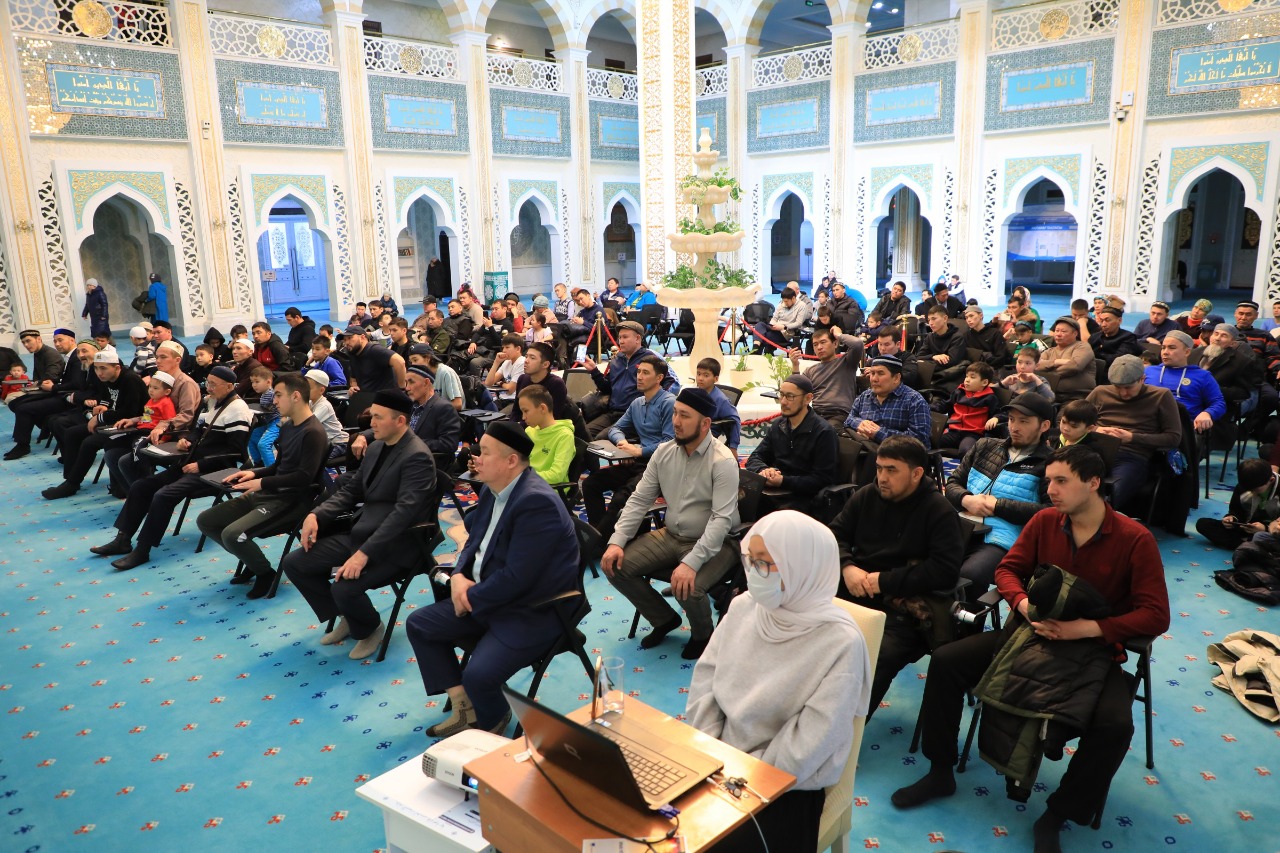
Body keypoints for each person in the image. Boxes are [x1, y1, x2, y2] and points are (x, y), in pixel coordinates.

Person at [893, 445, 1170, 853]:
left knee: (1115, 726)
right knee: (947, 661)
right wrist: (1022, 604)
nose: (1051, 490)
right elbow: (1008, 569)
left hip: (1090, 649)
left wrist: (1086, 629)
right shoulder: (1044, 521)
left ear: (1093, 483)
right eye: (1048, 481)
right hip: (1029, 635)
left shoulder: (1134, 539)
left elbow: (1155, 615)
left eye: (1062, 481)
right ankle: (940, 770)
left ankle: (1058, 813)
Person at [686, 511, 872, 853]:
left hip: (783, 785)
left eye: (765, 563)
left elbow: (810, 742)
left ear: (802, 567)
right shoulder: (744, 607)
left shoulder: (839, 642)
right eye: (750, 560)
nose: (754, 573)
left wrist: (740, 779)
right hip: (717, 758)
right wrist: (710, 751)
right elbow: (705, 682)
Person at [407, 420, 579, 736]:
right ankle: (465, 707)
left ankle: (493, 718)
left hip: (531, 609)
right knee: (420, 625)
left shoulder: (536, 502)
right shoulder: (492, 488)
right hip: (487, 594)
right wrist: (459, 577)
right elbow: (472, 542)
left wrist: (467, 595)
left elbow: (518, 578)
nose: (475, 458)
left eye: (485, 452)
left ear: (511, 460)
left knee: (478, 677)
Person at [283, 390, 436, 660]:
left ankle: (370, 628)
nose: (371, 422)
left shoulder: (417, 456)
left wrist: (363, 554)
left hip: (397, 546)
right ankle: (349, 617)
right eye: (371, 415)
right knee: (296, 563)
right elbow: (351, 491)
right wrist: (316, 515)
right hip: (362, 533)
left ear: (400, 421)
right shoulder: (376, 447)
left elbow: (404, 514)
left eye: (378, 417)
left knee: (343, 587)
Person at [829, 436, 964, 716]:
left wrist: (884, 581)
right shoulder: (866, 495)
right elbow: (833, 535)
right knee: (810, 633)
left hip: (904, 608)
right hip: (856, 589)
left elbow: (945, 572)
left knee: (875, 658)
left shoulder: (938, 510)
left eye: (891, 470)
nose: (882, 477)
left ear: (916, 473)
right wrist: (846, 566)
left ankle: (845, 731)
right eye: (879, 468)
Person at [602, 388, 740, 660]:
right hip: (672, 534)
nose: (676, 421)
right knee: (615, 565)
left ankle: (703, 636)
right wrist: (617, 541)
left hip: (719, 541)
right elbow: (639, 499)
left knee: (688, 586)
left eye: (685, 416)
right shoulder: (664, 452)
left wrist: (691, 563)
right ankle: (664, 619)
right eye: (675, 413)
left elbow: (721, 520)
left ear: (705, 424)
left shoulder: (723, 461)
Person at [91, 365, 253, 570]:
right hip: (190, 463)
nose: (209, 387)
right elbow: (198, 429)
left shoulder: (238, 409)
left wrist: (201, 464)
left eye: (214, 384)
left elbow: (236, 452)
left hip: (216, 470)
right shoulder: (213, 402)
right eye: (208, 382)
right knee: (141, 486)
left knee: (163, 495)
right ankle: (122, 540)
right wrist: (187, 440)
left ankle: (142, 550)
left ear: (229, 386)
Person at [196, 374, 330, 599]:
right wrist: (254, 473)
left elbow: (304, 478)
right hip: (270, 493)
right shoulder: (288, 426)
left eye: (278, 395)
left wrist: (261, 482)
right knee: (206, 521)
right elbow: (279, 467)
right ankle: (252, 560)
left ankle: (265, 573)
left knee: (232, 534)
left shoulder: (313, 432)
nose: (273, 401)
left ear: (296, 396)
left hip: (291, 501)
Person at [945, 392, 1053, 588]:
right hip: (960, 524)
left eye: (1023, 421)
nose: (1014, 427)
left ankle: (966, 609)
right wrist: (966, 499)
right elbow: (952, 483)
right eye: (1011, 419)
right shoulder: (985, 445)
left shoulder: (1050, 463)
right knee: (920, 556)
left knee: (969, 577)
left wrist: (998, 506)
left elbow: (1051, 513)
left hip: (1002, 538)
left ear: (1044, 426)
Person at [581, 356, 675, 538]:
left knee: (621, 498)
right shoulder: (638, 403)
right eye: (638, 371)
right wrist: (622, 442)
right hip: (638, 461)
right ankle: (599, 536)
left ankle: (597, 543)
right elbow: (615, 429)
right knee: (591, 484)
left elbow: (670, 442)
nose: (639, 376)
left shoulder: (668, 402)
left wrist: (640, 450)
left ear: (659, 378)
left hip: (660, 466)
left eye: (645, 373)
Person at [41, 350, 148, 500]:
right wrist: (103, 406)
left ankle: (72, 483)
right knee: (72, 433)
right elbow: (106, 396)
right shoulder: (107, 377)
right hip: (115, 421)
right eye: (96, 368)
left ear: (117, 368)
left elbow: (130, 412)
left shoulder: (130, 380)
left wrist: (100, 418)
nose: (99, 373)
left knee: (89, 443)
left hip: (134, 425)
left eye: (103, 368)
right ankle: (70, 480)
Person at [1086, 355, 1183, 513]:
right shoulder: (1100, 392)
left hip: (1131, 455)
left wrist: (1132, 437)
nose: (1123, 393)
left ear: (1142, 379)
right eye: (1117, 387)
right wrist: (1095, 429)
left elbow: (1173, 438)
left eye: (1128, 387)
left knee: (1109, 495)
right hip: (1093, 450)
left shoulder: (1160, 396)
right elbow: (1074, 420)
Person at [745, 374, 837, 514]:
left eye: (790, 396)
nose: (783, 401)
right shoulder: (779, 425)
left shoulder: (824, 432)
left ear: (808, 398)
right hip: (776, 491)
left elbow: (823, 479)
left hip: (803, 498)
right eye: (781, 395)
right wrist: (764, 470)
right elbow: (755, 457)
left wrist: (783, 481)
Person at [580, 320, 668, 437]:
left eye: (625, 337)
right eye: (620, 337)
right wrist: (593, 370)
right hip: (612, 412)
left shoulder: (650, 360)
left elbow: (669, 383)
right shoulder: (617, 360)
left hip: (635, 415)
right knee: (582, 434)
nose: (620, 341)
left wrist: (653, 409)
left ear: (637, 338)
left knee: (601, 438)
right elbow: (607, 389)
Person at [844, 353, 933, 458]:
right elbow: (849, 419)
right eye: (872, 373)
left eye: (880, 373)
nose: (874, 379)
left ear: (896, 378)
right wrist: (860, 424)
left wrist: (877, 433)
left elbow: (919, 440)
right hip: (868, 452)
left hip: (902, 457)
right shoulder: (865, 396)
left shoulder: (914, 401)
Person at [1143, 330, 1225, 435]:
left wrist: (1207, 413)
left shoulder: (1202, 376)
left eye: (1172, 348)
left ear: (1187, 352)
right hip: (1148, 423)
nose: (1165, 352)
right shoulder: (1148, 371)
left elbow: (1218, 403)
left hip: (1183, 428)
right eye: (1163, 347)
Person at [1195, 458, 1280, 550]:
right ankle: (1249, 546)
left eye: (1255, 490)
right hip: (1247, 528)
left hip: (1271, 533)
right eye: (1248, 489)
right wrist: (1231, 518)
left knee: (1263, 538)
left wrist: (1265, 528)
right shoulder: (1244, 485)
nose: (1252, 493)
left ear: (1271, 480)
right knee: (1203, 524)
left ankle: (1248, 546)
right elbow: (1236, 509)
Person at [789, 327, 865, 429]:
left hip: (840, 414)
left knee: (822, 431)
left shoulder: (846, 362)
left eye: (823, 342)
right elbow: (796, 390)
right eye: (815, 344)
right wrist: (795, 365)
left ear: (835, 344)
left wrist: (838, 335)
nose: (819, 347)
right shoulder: (810, 371)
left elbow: (857, 344)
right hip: (816, 414)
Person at [519, 384, 576, 483]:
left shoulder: (564, 436)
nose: (523, 417)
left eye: (526, 411)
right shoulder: (529, 430)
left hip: (547, 488)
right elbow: (521, 462)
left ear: (542, 408)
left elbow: (556, 475)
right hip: (527, 483)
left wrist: (523, 478)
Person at [1200, 323, 1263, 411]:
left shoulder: (1242, 361)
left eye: (1224, 336)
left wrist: (1213, 390)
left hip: (1219, 404)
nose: (1217, 338)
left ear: (1232, 343)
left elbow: (1243, 392)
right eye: (1216, 334)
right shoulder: (1194, 353)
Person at [939, 363, 1000, 454]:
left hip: (972, 435)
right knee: (929, 441)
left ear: (984, 382)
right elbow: (944, 405)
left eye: (972, 377)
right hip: (954, 432)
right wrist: (928, 407)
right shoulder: (958, 393)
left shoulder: (989, 398)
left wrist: (996, 418)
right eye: (966, 376)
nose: (967, 380)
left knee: (966, 450)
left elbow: (1000, 412)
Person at [1037, 315, 1097, 403]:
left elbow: (1074, 366)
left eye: (1063, 331)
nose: (1058, 334)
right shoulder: (1049, 351)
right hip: (1050, 395)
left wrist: (1047, 372)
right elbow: (1036, 366)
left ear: (1075, 334)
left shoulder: (1082, 347)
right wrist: (1056, 362)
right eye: (1057, 330)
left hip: (1077, 396)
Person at [693, 357, 741, 452]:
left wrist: (733, 447)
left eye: (706, 375)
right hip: (692, 430)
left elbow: (735, 420)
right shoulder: (694, 393)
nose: (700, 378)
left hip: (707, 436)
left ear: (716, 378)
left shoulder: (720, 399)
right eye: (698, 374)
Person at [916, 305, 969, 389]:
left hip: (949, 377)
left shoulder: (957, 337)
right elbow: (919, 356)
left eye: (934, 319)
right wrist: (933, 356)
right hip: (932, 372)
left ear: (945, 318)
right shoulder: (930, 337)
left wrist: (927, 362)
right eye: (929, 320)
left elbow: (951, 361)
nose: (930, 323)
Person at [344, 326, 406, 394]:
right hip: (364, 397)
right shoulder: (353, 354)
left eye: (350, 338)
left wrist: (401, 389)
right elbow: (353, 379)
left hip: (382, 397)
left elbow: (400, 362)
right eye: (345, 340)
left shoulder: (375, 350)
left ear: (362, 337)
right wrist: (354, 388)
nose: (346, 343)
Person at [752, 285, 811, 353]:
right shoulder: (782, 304)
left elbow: (798, 323)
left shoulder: (801, 306)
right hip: (775, 327)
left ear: (793, 298)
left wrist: (784, 327)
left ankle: (755, 352)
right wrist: (773, 324)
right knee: (759, 325)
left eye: (786, 301)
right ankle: (756, 349)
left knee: (764, 336)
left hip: (786, 332)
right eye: (784, 301)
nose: (785, 303)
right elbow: (774, 318)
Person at [246, 367, 281, 466]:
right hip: (268, 422)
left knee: (264, 444)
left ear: (268, 382)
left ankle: (272, 469)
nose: (254, 385)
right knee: (251, 437)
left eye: (257, 382)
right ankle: (258, 463)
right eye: (252, 382)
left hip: (277, 422)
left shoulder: (272, 394)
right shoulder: (263, 395)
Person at [962, 305, 1010, 370]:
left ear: (981, 316)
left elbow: (1001, 358)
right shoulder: (966, 336)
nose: (969, 320)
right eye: (966, 317)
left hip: (991, 369)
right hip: (972, 370)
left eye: (971, 316)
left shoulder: (995, 333)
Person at [483, 334, 525, 403]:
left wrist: (501, 383)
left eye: (507, 347)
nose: (504, 350)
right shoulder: (507, 362)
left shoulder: (522, 363)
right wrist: (496, 362)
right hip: (502, 399)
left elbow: (510, 389)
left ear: (518, 349)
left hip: (514, 401)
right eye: (503, 348)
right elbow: (488, 383)